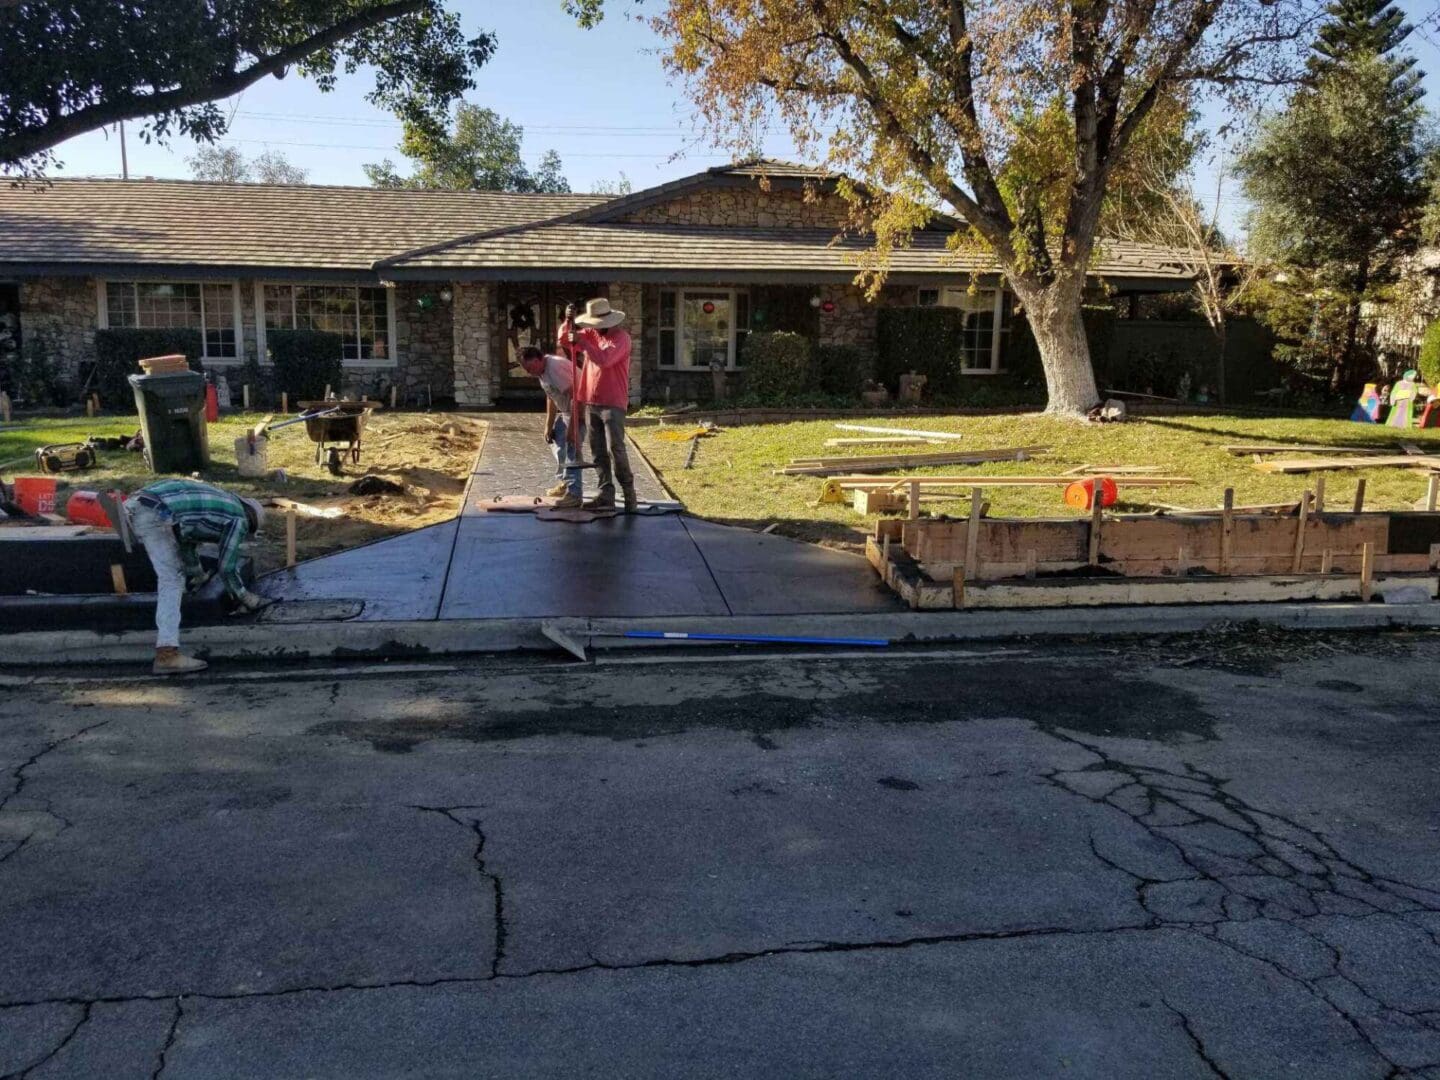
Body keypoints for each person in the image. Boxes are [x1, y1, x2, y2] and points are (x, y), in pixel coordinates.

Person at [124, 479, 271, 675]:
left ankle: (168, 645)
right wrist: (246, 597)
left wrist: (198, 575)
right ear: (251, 521)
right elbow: (226, 566)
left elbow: (185, 542)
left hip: (136, 506)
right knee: (172, 580)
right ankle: (167, 655)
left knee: (173, 574)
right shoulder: (239, 519)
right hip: (155, 514)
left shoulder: (218, 504)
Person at [564, 297, 636, 512]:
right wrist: (567, 323)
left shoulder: (621, 339)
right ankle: (606, 493)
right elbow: (565, 341)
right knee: (598, 450)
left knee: (616, 448)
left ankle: (629, 493)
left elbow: (605, 360)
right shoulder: (591, 334)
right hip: (592, 399)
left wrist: (582, 341)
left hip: (613, 401)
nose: (596, 328)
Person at [518, 345, 583, 509]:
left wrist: (572, 429)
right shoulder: (542, 371)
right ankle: (565, 483)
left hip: (582, 410)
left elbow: (577, 395)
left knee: (571, 450)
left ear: (538, 359)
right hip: (567, 410)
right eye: (526, 369)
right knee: (559, 445)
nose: (529, 372)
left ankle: (575, 494)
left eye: (530, 367)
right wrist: (548, 425)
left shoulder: (555, 367)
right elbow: (551, 396)